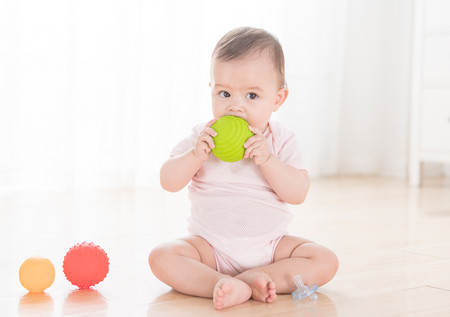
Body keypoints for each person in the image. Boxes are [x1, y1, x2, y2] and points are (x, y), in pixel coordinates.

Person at [149, 26, 338, 310]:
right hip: (209, 249)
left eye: (251, 96)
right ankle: (219, 283)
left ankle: (258, 276)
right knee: (161, 256)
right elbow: (168, 180)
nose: (235, 107)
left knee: (324, 260)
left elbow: (298, 193)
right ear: (211, 90)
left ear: (277, 99)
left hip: (271, 247)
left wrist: (268, 160)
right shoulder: (203, 136)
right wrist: (194, 156)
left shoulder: (281, 140)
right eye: (224, 93)